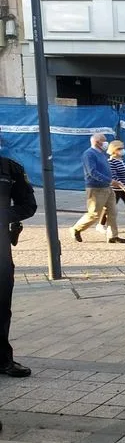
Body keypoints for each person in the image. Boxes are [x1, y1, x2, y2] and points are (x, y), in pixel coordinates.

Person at [0, 155, 37, 378]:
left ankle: (3, 360)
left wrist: (3, 216)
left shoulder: (9, 168)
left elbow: (28, 205)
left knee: (2, 305)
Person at [70, 133, 125, 243]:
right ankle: (76, 229)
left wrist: (112, 182)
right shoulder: (89, 154)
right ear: (97, 142)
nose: (106, 143)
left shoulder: (101, 154)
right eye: (104, 140)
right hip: (96, 188)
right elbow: (92, 172)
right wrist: (110, 181)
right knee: (94, 214)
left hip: (107, 188)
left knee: (112, 212)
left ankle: (113, 236)